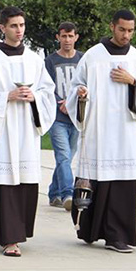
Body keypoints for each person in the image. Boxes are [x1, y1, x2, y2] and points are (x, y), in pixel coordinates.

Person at [67, 10, 136, 253]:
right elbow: (76, 86)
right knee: (96, 179)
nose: (126, 35)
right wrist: (81, 94)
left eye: (130, 31)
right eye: (122, 30)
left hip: (124, 133)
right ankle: (88, 230)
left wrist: (133, 82)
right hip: (98, 129)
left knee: (120, 183)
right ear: (112, 27)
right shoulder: (94, 56)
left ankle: (117, 236)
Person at [0, 6, 56, 257]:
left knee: (26, 184)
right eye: (13, 26)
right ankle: (9, 239)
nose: (19, 31)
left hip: (26, 131)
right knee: (6, 183)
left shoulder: (34, 60)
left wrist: (35, 98)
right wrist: (6, 96)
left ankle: (20, 233)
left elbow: (47, 93)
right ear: (2, 28)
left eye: (22, 25)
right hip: (3, 132)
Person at [45, 21, 83, 211]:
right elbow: (46, 87)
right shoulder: (50, 61)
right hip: (57, 118)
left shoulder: (83, 60)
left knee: (66, 159)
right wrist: (62, 102)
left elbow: (87, 84)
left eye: (71, 36)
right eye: (64, 36)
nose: (67, 40)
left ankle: (53, 193)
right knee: (63, 157)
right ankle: (68, 193)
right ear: (57, 38)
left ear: (76, 37)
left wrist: (74, 103)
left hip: (77, 119)